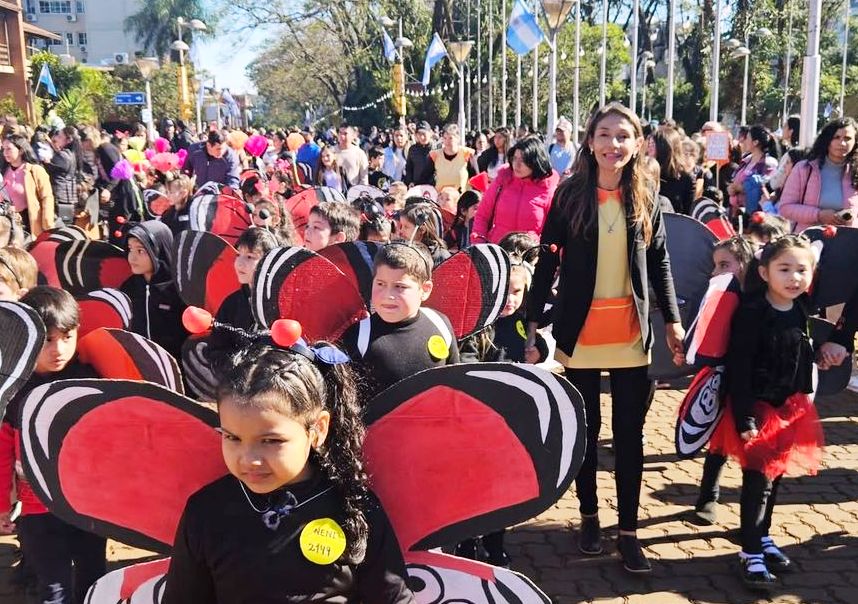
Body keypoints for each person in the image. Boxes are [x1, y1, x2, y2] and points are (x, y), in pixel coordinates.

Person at [525, 103, 683, 573]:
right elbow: (547, 262)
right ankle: (590, 516)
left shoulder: (648, 196)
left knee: (630, 437)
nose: (613, 144)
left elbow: (660, 263)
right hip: (582, 336)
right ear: (590, 141)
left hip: (632, 335)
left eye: (623, 136)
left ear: (637, 144)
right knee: (587, 434)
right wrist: (534, 321)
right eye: (604, 134)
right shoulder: (570, 195)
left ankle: (630, 531)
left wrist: (673, 319)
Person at [162, 334, 415, 602]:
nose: (249, 459)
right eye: (232, 438)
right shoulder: (206, 512)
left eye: (271, 441)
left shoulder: (353, 506)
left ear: (317, 429)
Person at [707, 235, 823, 589]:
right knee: (757, 482)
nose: (794, 278)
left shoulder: (801, 308)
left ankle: (763, 535)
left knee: (776, 480)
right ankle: (750, 550)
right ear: (764, 271)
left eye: (802, 270)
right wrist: (745, 417)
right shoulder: (754, 312)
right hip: (756, 409)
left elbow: (801, 352)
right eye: (784, 269)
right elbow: (739, 367)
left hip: (790, 407)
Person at [0, 287, 106, 604]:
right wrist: (3, 503)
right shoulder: (13, 392)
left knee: (93, 575)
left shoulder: (91, 381)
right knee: (54, 587)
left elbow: (109, 443)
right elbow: (3, 452)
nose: (58, 349)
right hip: (37, 508)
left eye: (67, 336)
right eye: (47, 339)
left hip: (88, 504)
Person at [455, 261, 548, 566]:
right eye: (503, 291)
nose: (509, 298)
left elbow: (538, 346)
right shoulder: (477, 325)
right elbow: (466, 361)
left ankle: (495, 543)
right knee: (470, 488)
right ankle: (467, 543)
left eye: (516, 292)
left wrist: (541, 350)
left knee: (502, 491)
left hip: (512, 424)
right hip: (478, 422)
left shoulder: (524, 324)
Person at [339, 243, 459, 398]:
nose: (388, 295)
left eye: (400, 287)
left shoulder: (440, 324)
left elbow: (454, 388)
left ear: (425, 290)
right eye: (381, 284)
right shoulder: (358, 336)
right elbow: (347, 402)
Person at [693, 236, 755, 525]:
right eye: (715, 265)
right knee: (718, 443)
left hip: (754, 382)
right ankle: (708, 496)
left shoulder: (759, 298)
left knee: (752, 447)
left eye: (724, 265)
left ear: (745, 264)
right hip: (725, 377)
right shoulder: (717, 295)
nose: (716, 272)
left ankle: (752, 512)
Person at [472, 136, 559, 244]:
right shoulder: (502, 181)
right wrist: (478, 243)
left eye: (523, 160)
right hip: (497, 252)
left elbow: (554, 231)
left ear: (536, 162)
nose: (517, 164)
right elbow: (482, 216)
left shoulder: (548, 190)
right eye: (515, 158)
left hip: (530, 256)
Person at [120, 220, 188, 360]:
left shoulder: (180, 290)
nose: (132, 257)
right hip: (136, 366)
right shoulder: (128, 288)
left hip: (173, 368)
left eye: (140, 251)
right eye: (130, 249)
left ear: (159, 251)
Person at [778, 117, 858, 232]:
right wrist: (818, 215)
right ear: (827, 140)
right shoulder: (804, 169)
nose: (842, 143)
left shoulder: (855, 172)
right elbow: (785, 208)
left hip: (846, 242)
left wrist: (851, 219)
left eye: (848, 138)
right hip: (807, 241)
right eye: (836, 137)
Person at [0, 134, 54, 236]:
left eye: (9, 149)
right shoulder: (3, 172)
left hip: (29, 224)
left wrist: (47, 224)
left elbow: (47, 197)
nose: (5, 153)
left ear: (20, 150)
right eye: (3, 149)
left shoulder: (35, 171)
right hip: (6, 223)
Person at [727, 125, 778, 216]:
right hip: (736, 213)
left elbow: (763, 185)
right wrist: (731, 188)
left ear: (755, 142)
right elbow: (735, 179)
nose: (744, 141)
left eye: (747, 138)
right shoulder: (745, 160)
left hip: (754, 214)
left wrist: (741, 188)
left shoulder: (768, 163)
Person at [650, 127, 695, 215]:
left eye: (652, 144)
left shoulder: (685, 178)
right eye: (650, 144)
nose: (649, 149)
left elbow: (688, 214)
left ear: (663, 148)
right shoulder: (647, 173)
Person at [43, 127, 81, 226]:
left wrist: (46, 163)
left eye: (60, 137)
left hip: (60, 197)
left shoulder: (63, 156)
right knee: (67, 226)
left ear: (68, 140)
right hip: (69, 197)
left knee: (61, 228)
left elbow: (51, 170)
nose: (56, 139)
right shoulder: (72, 154)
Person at [429, 124, 478, 192]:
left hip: (462, 198)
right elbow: (426, 177)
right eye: (445, 138)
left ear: (458, 138)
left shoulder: (467, 154)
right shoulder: (435, 155)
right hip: (441, 198)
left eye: (450, 138)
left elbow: (476, 178)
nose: (447, 141)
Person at [404, 121, 434, 187]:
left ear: (430, 133)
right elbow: (409, 168)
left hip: (433, 187)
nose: (422, 137)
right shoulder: (413, 149)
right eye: (419, 134)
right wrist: (410, 181)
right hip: (416, 186)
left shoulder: (437, 149)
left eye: (424, 134)